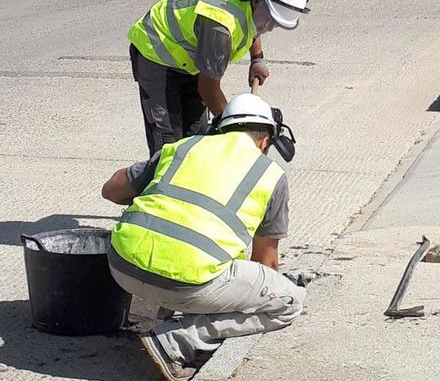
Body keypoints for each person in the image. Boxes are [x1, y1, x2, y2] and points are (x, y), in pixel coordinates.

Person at [102, 93, 304, 381]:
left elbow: (111, 191)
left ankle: (171, 315)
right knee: (288, 300)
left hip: (120, 266)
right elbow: (265, 264)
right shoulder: (270, 175)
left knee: (181, 248)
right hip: (185, 284)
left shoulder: (183, 148)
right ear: (264, 140)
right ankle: (177, 341)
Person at [128, 0, 310, 155]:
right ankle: (161, 181)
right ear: (257, 1)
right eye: (270, 19)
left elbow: (252, 27)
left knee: (197, 138)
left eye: (277, 23)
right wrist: (238, 129)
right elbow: (208, 88)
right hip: (156, 51)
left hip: (189, 59)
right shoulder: (220, 26)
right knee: (167, 144)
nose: (270, 27)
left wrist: (257, 59)